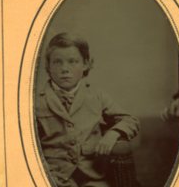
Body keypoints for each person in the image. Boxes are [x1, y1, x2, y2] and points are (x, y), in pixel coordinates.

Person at [35, 32, 140, 187]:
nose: (65, 69)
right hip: (53, 178)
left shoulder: (96, 96)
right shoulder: (35, 101)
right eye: (57, 62)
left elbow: (130, 120)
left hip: (93, 178)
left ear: (85, 64)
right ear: (47, 67)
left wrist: (113, 133)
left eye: (73, 62)